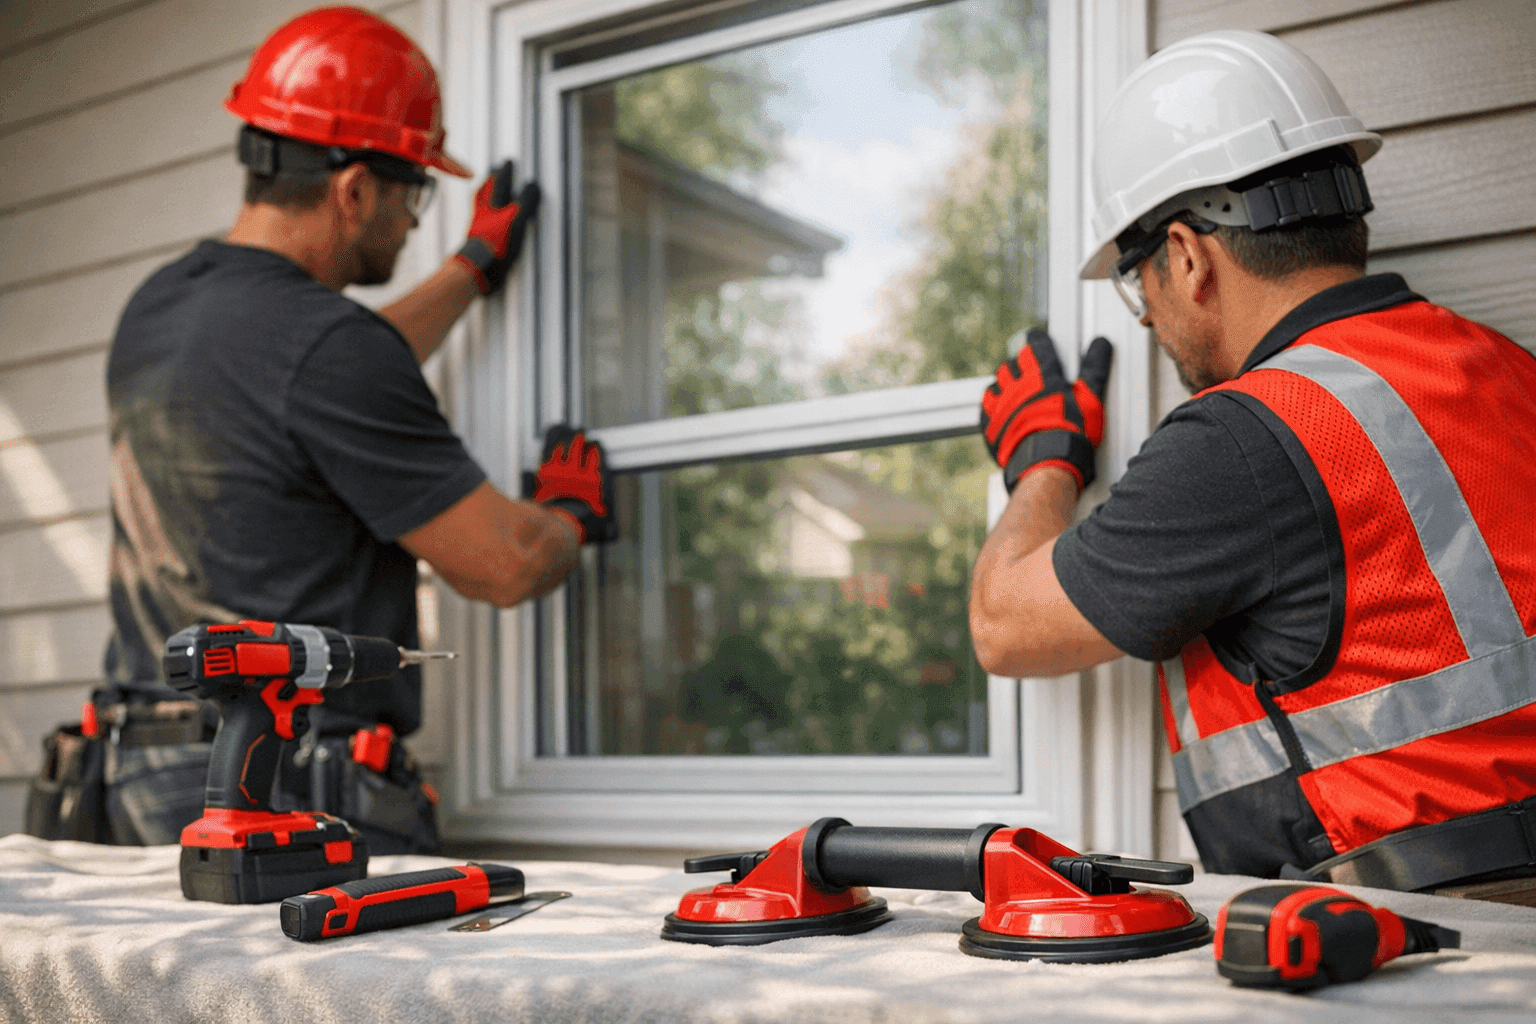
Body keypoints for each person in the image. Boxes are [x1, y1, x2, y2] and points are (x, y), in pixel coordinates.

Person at [969, 30, 1536, 898]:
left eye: (1138, 279)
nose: (1148, 318)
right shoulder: (1505, 366)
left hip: (1428, 935)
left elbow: (1003, 627)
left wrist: (1044, 458)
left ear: (1189, 257)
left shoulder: (1249, 435)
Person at [91, 7, 616, 852]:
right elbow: (504, 565)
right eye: (415, 190)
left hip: (145, 787)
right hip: (285, 792)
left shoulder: (159, 307)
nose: (415, 218)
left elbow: (305, 378)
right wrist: (568, 518)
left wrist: (470, 270)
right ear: (354, 191)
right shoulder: (329, 350)